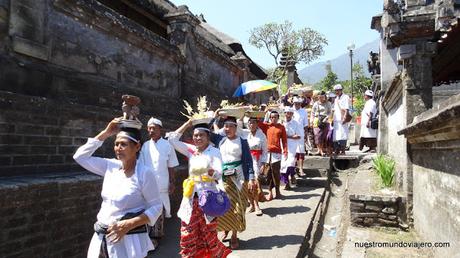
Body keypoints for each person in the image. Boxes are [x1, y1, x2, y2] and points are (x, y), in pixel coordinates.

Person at [73, 118, 163, 258]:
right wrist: (106, 133)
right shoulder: (110, 166)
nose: (118, 148)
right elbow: (80, 156)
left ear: (137, 147)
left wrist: (129, 224)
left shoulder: (144, 173)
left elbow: (157, 207)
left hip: (129, 241)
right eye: (116, 144)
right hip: (101, 236)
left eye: (123, 144)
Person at [167, 120, 231, 258]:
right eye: (195, 135)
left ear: (208, 137)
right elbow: (172, 139)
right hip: (190, 200)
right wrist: (188, 123)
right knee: (187, 236)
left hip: (208, 201)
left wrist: (211, 172)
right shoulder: (191, 150)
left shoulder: (214, 152)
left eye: (201, 135)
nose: (198, 138)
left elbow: (219, 173)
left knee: (208, 237)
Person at [211, 116, 255, 250]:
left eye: (230, 126)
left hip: (239, 178)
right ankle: (226, 228)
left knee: (237, 206)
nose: (227, 128)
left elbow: (248, 161)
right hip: (223, 178)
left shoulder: (242, 142)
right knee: (224, 205)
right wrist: (215, 116)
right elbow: (206, 129)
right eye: (225, 126)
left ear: (236, 128)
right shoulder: (220, 140)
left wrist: (251, 178)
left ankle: (234, 234)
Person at [138, 117, 179, 247]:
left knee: (160, 210)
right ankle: (147, 236)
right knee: (147, 209)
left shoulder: (167, 145)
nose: (151, 130)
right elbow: (141, 165)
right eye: (149, 128)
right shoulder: (145, 145)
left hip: (162, 184)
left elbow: (171, 166)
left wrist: (172, 182)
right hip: (147, 184)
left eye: (153, 128)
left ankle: (156, 236)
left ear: (160, 129)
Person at [258, 111, 288, 200]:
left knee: (276, 173)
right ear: (269, 118)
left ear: (278, 118)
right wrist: (259, 113)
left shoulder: (281, 127)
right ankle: (270, 193)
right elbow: (258, 123)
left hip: (277, 153)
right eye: (271, 117)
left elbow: (284, 141)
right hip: (267, 153)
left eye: (275, 117)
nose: (273, 119)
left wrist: (285, 151)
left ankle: (278, 192)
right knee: (268, 173)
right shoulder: (266, 126)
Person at [241, 117, 268, 214]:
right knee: (246, 184)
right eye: (250, 123)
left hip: (256, 161)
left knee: (255, 183)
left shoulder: (262, 136)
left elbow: (265, 151)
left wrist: (263, 164)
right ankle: (251, 204)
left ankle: (257, 205)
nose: (251, 125)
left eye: (253, 123)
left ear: (257, 124)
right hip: (245, 161)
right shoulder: (244, 133)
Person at [281, 107, 302, 190]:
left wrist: (287, 136)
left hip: (292, 146)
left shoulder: (296, 123)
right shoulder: (281, 123)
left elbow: (298, 136)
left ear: (292, 114)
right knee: (283, 165)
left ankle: (292, 175)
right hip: (283, 146)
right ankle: (286, 183)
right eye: (287, 113)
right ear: (285, 114)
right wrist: (290, 136)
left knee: (290, 163)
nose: (288, 115)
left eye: (290, 113)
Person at [311, 91, 332, 156]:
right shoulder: (315, 104)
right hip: (317, 120)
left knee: (324, 136)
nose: (321, 98)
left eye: (322, 97)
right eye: (319, 97)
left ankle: (322, 149)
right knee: (317, 135)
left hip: (325, 120)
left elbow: (330, 112)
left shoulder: (328, 103)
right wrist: (311, 120)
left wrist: (327, 118)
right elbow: (313, 112)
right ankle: (319, 150)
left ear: (324, 97)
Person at [332, 84, 351, 155]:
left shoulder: (345, 97)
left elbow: (347, 109)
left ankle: (343, 150)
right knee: (336, 136)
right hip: (336, 119)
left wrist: (345, 118)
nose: (337, 92)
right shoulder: (336, 98)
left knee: (343, 135)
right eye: (335, 91)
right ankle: (337, 150)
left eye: (338, 90)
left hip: (342, 119)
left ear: (341, 90)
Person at [292, 96, 308, 176]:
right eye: (296, 103)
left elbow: (305, 124)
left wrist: (305, 134)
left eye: (299, 104)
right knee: (293, 152)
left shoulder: (304, 111)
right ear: (293, 103)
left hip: (301, 133)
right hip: (291, 134)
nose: (297, 105)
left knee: (301, 152)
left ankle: (301, 169)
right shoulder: (290, 110)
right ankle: (294, 169)